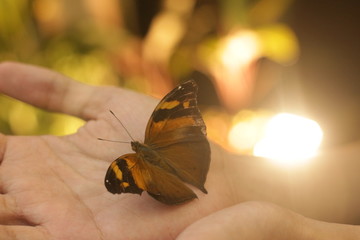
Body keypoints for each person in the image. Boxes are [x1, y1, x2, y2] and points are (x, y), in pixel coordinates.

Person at [0, 62, 359, 239]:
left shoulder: (129, 162)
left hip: (173, 177)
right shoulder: (153, 133)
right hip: (190, 156)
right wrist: (243, 180)